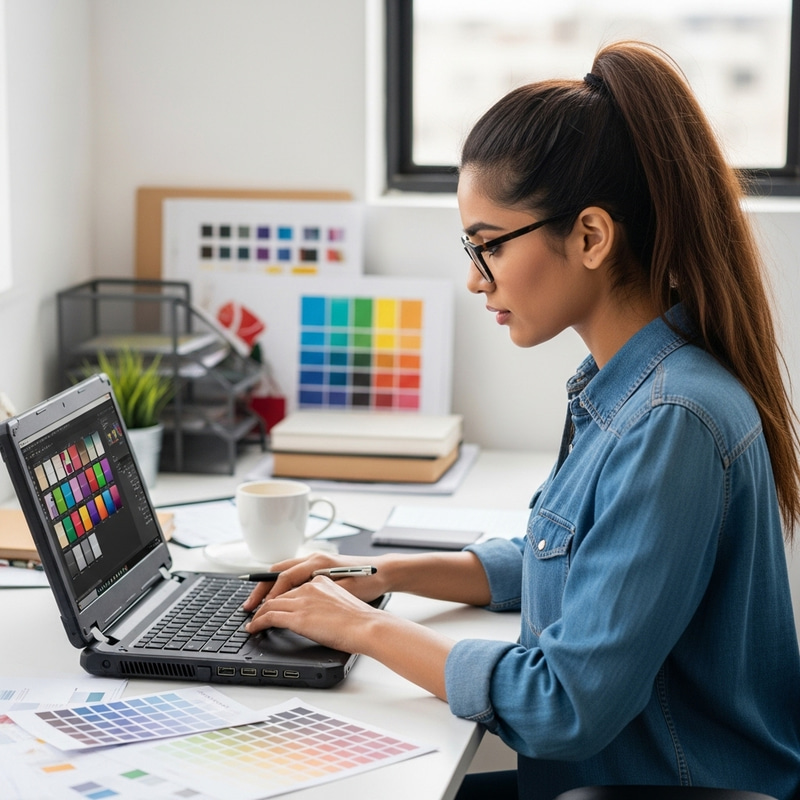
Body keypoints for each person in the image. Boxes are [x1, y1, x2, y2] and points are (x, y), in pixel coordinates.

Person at [243, 41, 800, 799]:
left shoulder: (672, 420)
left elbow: (563, 707)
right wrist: (377, 576)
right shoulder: (631, 387)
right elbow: (566, 564)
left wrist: (360, 628)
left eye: (488, 246)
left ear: (592, 237)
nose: (475, 279)